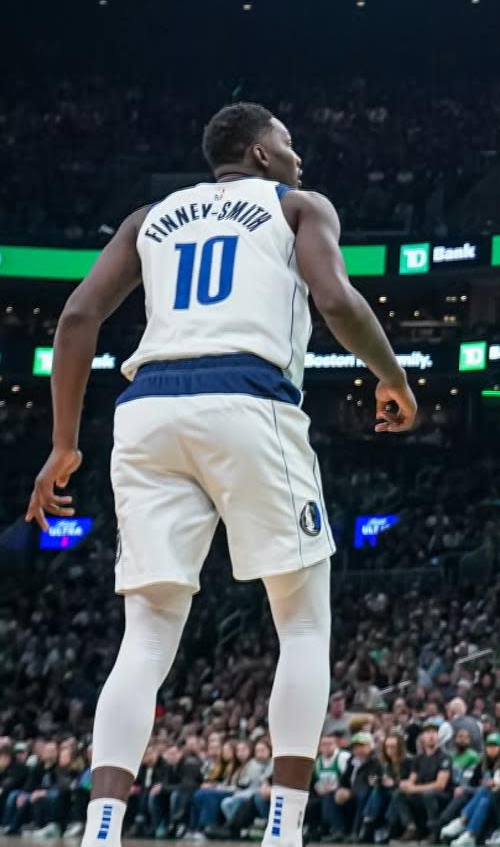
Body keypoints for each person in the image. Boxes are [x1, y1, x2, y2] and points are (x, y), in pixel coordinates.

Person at [23, 101, 419, 847]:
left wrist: (63, 443)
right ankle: (284, 831)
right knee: (302, 622)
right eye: (289, 143)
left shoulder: (150, 217)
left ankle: (100, 830)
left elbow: (77, 317)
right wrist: (392, 376)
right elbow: (336, 299)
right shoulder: (296, 204)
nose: (299, 156)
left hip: (146, 414)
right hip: (246, 399)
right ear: (261, 154)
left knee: (144, 639)